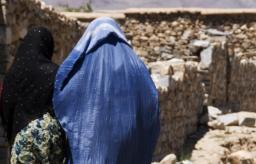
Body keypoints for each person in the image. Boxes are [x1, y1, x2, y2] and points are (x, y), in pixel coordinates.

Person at [53, 17, 160, 164]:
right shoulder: (136, 65)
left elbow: (62, 91)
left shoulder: (79, 64)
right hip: (129, 148)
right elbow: (151, 101)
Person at [0, 27, 66, 163]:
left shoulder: (11, 75)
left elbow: (6, 110)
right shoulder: (55, 74)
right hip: (48, 150)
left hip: (18, 149)